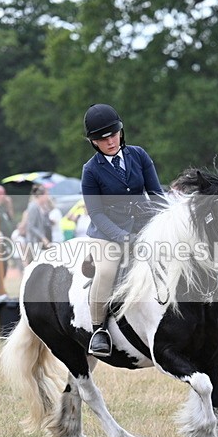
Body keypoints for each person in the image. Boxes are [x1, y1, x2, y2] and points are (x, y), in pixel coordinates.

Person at [81, 103, 164, 357]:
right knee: (106, 271)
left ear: (121, 131)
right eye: (102, 138)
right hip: (107, 233)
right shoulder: (91, 170)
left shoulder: (138, 155)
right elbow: (96, 213)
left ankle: (203, 306)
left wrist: (168, 223)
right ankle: (98, 330)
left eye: (114, 134)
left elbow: (156, 194)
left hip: (143, 224)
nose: (110, 141)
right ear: (94, 142)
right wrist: (121, 237)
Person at [23, 185, 52, 265]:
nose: (48, 197)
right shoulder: (33, 207)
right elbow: (31, 226)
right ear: (41, 195)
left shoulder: (39, 206)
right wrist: (43, 237)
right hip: (33, 241)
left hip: (37, 241)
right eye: (46, 195)